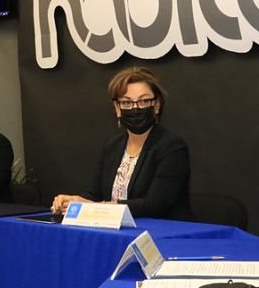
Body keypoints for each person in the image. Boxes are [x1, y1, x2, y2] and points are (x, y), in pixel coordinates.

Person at [52, 67, 192, 220]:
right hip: (116, 229)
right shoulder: (113, 146)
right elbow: (95, 195)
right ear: (117, 108)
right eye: (127, 102)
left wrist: (95, 206)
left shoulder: (172, 147)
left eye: (144, 101)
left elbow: (155, 205)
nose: (135, 108)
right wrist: (73, 202)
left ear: (156, 105)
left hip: (163, 230)